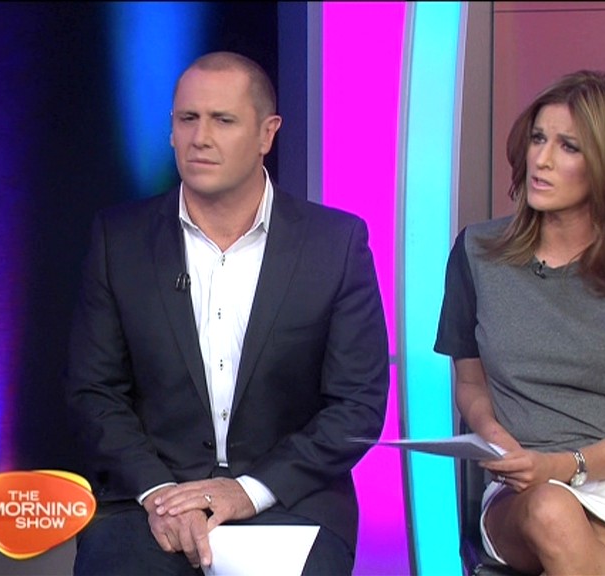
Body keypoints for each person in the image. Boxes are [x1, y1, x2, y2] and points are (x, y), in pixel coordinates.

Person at [64, 51, 389, 575]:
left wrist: (247, 491)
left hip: (286, 498)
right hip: (150, 500)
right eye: (187, 119)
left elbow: (357, 404)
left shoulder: (335, 244)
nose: (200, 138)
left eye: (223, 120)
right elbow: (95, 391)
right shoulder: (118, 241)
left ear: (267, 133)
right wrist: (161, 494)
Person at [435, 70, 605, 575]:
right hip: (523, 488)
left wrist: (563, 466)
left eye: (568, 147)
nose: (541, 159)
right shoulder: (476, 253)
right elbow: (470, 383)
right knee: (552, 511)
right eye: (538, 139)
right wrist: (495, 437)